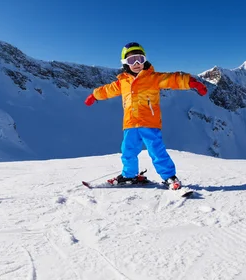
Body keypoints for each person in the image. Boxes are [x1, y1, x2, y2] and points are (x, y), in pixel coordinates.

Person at [84, 42, 208, 190]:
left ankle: (169, 177)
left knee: (156, 150)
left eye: (140, 59)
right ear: (124, 62)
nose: (136, 63)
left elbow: (172, 79)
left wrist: (190, 81)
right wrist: (94, 95)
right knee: (128, 151)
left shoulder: (153, 77)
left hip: (149, 122)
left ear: (145, 60)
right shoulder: (123, 82)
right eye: (131, 60)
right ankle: (129, 176)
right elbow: (108, 90)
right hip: (130, 123)